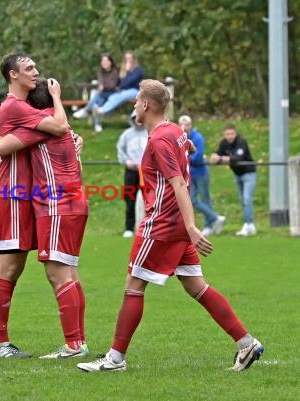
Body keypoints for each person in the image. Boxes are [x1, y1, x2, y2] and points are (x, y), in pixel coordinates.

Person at [77, 79, 263, 373]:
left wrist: (191, 226)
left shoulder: (159, 138)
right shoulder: (174, 130)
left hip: (162, 223)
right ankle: (246, 343)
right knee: (196, 286)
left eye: (137, 101)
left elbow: (177, 183)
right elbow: (186, 147)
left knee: (134, 285)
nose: (135, 105)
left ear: (147, 105)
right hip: (176, 224)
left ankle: (114, 359)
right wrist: (186, 223)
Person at [0, 77, 89, 359]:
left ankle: (72, 346)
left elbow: (1, 143)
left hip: (56, 206)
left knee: (57, 273)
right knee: (70, 273)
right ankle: (79, 342)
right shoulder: (63, 128)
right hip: (74, 203)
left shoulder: (43, 126)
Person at [0, 53, 69, 358]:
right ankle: (0, 344)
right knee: (9, 268)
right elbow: (59, 127)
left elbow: (4, 144)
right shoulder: (15, 105)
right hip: (12, 195)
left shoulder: (19, 107)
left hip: (18, 194)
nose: (36, 72)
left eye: (35, 67)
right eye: (29, 68)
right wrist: (57, 99)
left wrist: (0, 150)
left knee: (13, 269)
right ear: (13, 75)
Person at [179, 115, 226, 237]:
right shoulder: (180, 138)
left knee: (205, 198)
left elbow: (197, 157)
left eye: (187, 125)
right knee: (192, 200)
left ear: (191, 125)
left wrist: (184, 158)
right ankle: (216, 218)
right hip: (189, 174)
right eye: (182, 125)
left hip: (201, 173)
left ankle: (209, 225)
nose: (185, 128)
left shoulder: (198, 138)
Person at [210, 124, 257, 236]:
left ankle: (248, 224)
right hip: (238, 174)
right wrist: (215, 157)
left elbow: (237, 158)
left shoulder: (241, 142)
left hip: (249, 173)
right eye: (227, 134)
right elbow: (217, 155)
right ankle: (250, 225)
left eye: (232, 133)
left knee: (247, 198)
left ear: (235, 133)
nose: (230, 136)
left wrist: (222, 159)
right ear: (224, 135)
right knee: (242, 200)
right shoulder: (224, 143)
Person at [91, 50, 144, 132]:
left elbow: (130, 81)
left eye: (130, 58)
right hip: (123, 92)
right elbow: (120, 82)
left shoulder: (138, 70)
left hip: (135, 91)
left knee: (120, 95)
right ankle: (99, 116)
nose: (128, 60)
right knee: (111, 96)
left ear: (133, 59)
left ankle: (102, 111)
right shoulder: (122, 70)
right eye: (126, 58)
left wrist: (127, 72)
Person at [116, 110, 148, 238]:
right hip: (131, 171)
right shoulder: (127, 134)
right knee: (130, 199)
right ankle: (129, 228)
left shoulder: (149, 132)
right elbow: (120, 150)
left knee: (149, 200)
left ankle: (148, 228)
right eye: (135, 118)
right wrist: (126, 161)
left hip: (147, 172)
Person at [72, 53, 119, 133]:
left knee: (98, 96)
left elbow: (112, 85)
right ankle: (97, 124)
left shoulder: (115, 72)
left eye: (106, 60)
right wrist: (102, 86)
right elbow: (101, 83)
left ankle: (86, 110)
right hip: (103, 94)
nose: (104, 62)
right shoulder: (100, 72)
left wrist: (103, 86)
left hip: (113, 94)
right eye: (103, 61)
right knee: (96, 105)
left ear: (110, 62)